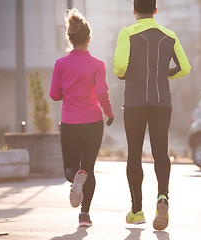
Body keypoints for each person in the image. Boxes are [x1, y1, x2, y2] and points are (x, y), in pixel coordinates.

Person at [114, 0, 191, 231]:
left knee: (134, 153)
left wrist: (133, 75)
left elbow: (119, 67)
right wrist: (161, 74)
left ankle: (137, 211)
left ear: (134, 10)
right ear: (156, 11)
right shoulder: (169, 35)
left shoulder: (127, 33)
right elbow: (185, 68)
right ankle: (162, 197)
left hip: (135, 101)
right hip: (161, 101)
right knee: (160, 152)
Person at [50, 8, 114, 228]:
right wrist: (109, 112)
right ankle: (84, 215)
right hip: (93, 122)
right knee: (90, 168)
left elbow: (54, 95)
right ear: (89, 39)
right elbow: (102, 93)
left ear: (69, 38)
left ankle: (75, 176)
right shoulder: (98, 65)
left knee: (72, 167)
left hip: (69, 122)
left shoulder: (60, 64)